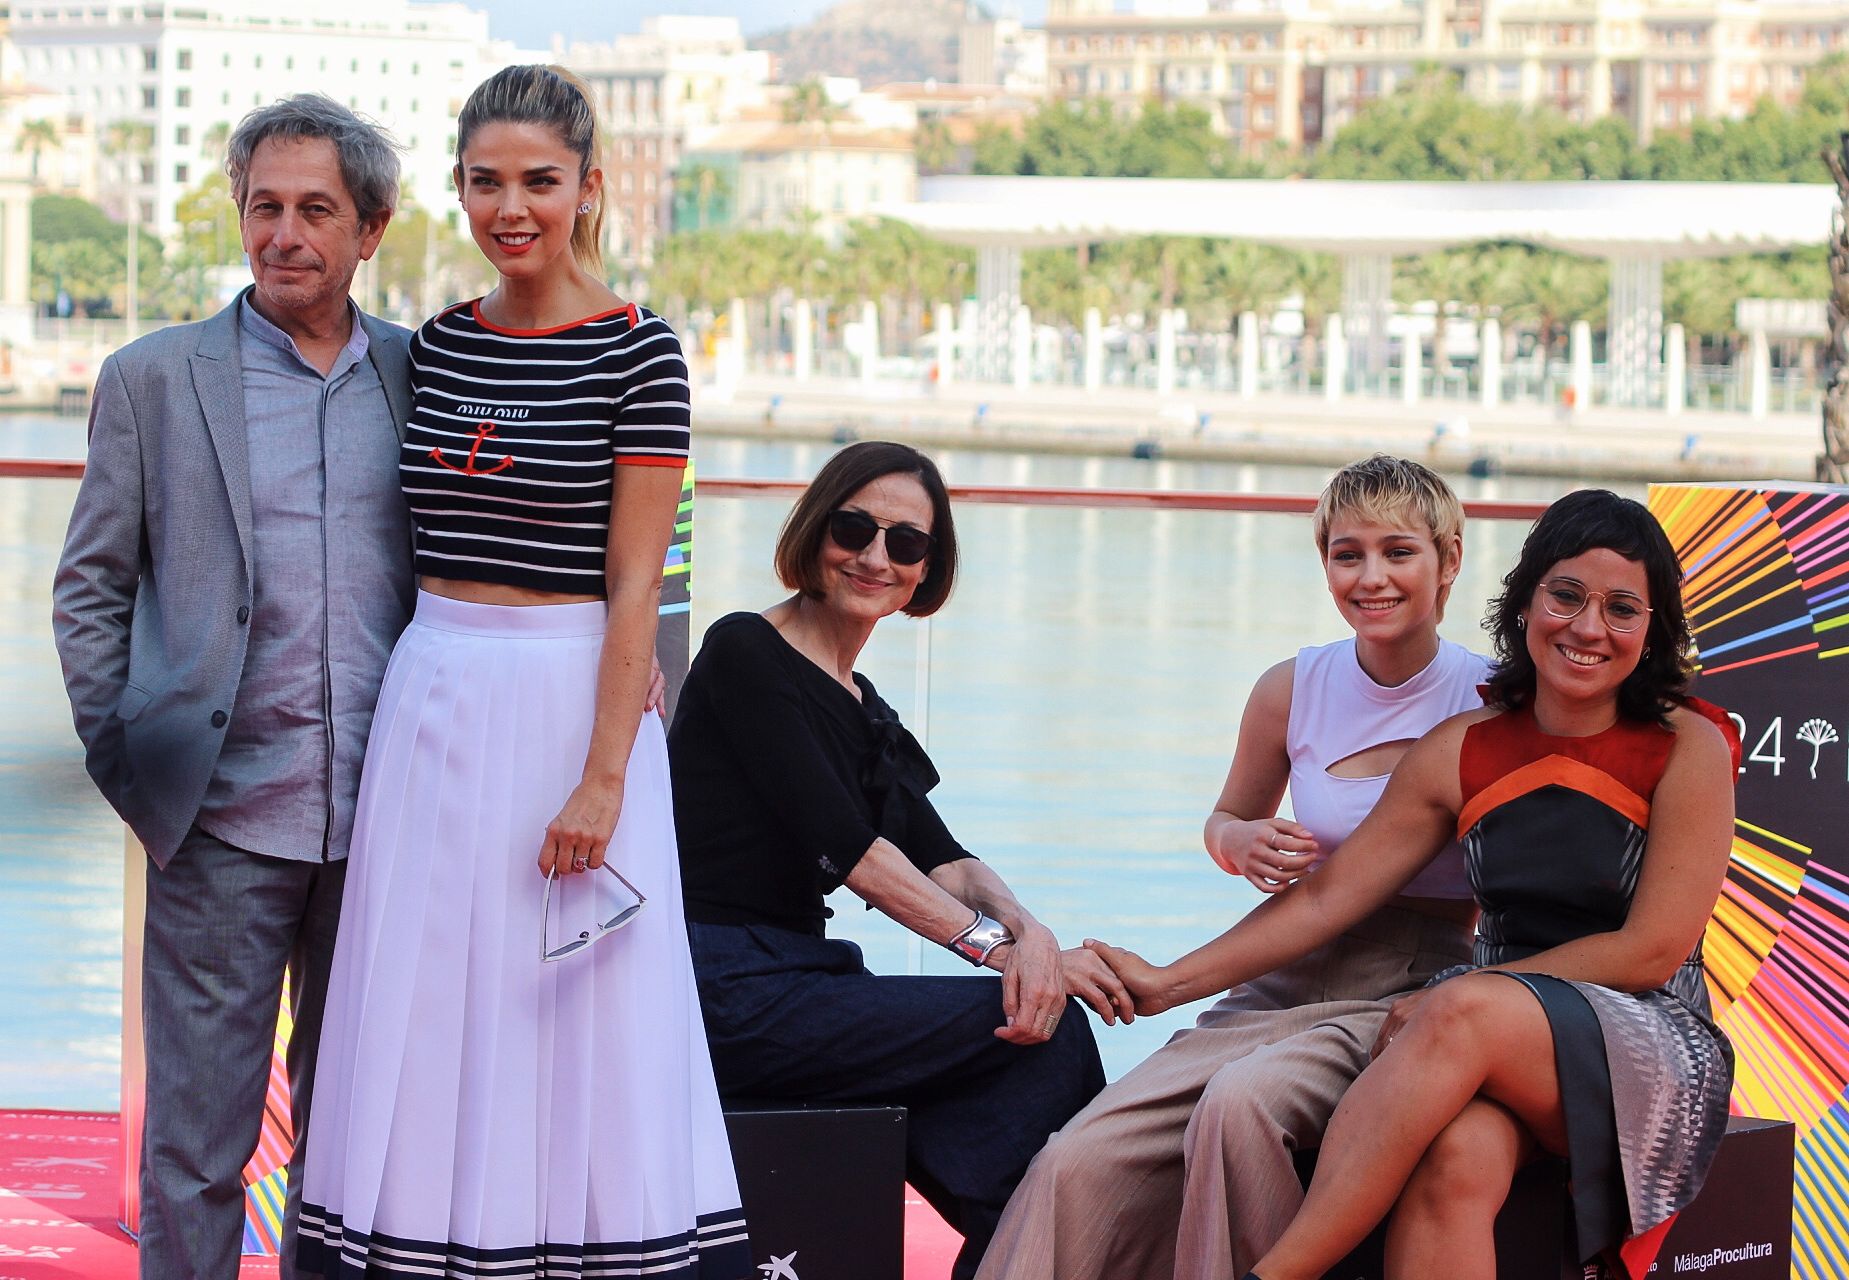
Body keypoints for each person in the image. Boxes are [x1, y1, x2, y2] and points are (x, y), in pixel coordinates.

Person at [296, 65, 747, 1277]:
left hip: (569, 702)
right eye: (486, 180)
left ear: (589, 187)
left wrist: (604, 780)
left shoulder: (643, 352)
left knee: (570, 1006)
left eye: (539, 180)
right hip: (431, 693)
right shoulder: (436, 343)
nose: (513, 206)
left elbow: (637, 589)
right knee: (431, 997)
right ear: (457, 189)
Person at [1088, 489, 1739, 1280]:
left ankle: (1274, 1274)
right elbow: (1329, 898)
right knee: (1455, 1162)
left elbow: (1650, 951)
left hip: (1645, 1035)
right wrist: (1166, 983)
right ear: (1526, 600)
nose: (1587, 628)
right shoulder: (1462, 745)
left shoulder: (1687, 744)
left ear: (1652, 627)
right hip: (1492, 1037)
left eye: (1621, 609)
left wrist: (1465, 997)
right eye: (1565, 596)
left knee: (1460, 1003)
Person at [976, 454, 1487, 1280]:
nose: (1370, 577)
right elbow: (1224, 821)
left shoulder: (1488, 698)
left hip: (1411, 982)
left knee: (1239, 1106)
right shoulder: (1292, 687)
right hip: (1276, 973)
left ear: (1449, 560)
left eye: (1398, 552)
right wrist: (1240, 840)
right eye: (1345, 553)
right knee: (1077, 1157)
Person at [52, 96, 407, 1279]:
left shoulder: (425, 377)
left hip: (389, 829)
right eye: (265, 207)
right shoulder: (152, 380)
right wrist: (137, 766)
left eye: (317, 210)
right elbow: (90, 588)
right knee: (195, 1149)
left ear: (373, 228)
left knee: (358, 1150)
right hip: (217, 825)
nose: (286, 234)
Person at [668, 440, 1121, 1280]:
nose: (876, 557)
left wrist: (1035, 939)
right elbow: (850, 851)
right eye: (854, 529)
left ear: (925, 569)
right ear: (815, 532)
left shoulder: (861, 705)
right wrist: (1003, 959)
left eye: (905, 544)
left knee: (1020, 1057)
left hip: (804, 978)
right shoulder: (746, 654)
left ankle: (1034, 1255)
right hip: (718, 982)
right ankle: (1059, 1253)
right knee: (1043, 1040)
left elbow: (943, 858)